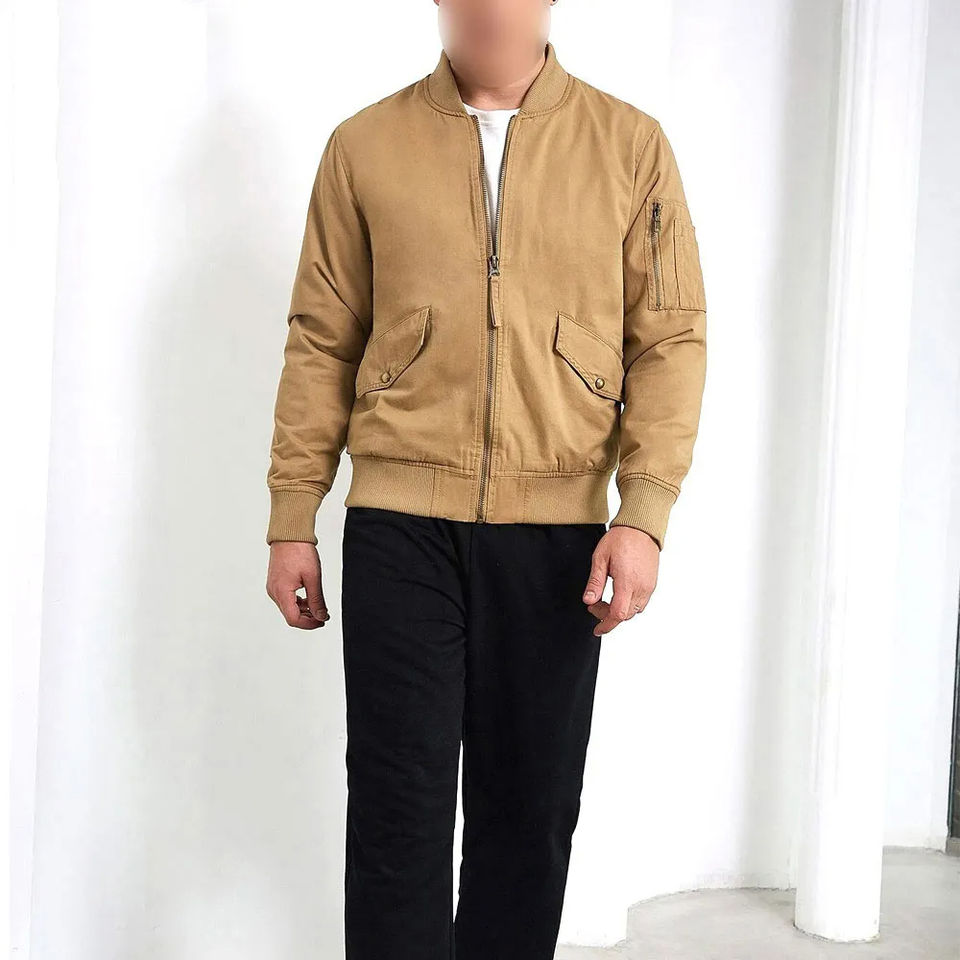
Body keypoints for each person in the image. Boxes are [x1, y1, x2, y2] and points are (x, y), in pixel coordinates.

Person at [264, 2, 707, 957]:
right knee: (397, 813)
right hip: (399, 524)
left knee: (530, 812)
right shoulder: (364, 147)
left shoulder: (629, 147)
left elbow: (669, 340)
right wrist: (292, 515)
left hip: (559, 532)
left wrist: (644, 514)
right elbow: (320, 341)